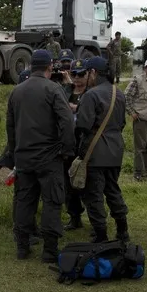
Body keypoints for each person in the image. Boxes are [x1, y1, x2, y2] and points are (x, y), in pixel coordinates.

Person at [5, 50, 75, 262]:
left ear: (30, 66)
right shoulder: (53, 89)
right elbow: (67, 121)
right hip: (49, 157)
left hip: (24, 157)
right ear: (49, 67)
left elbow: (10, 126)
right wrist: (67, 150)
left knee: (25, 201)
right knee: (52, 202)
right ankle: (50, 250)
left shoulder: (16, 91)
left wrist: (14, 151)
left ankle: (23, 247)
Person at [75, 57, 129, 242]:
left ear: (93, 73)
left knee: (94, 195)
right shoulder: (119, 93)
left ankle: (101, 236)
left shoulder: (91, 95)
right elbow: (122, 123)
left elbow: (83, 125)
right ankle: (123, 230)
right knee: (113, 189)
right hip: (115, 150)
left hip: (95, 152)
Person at [63, 59, 89, 231]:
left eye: (81, 74)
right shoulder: (65, 91)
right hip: (68, 143)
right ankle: (74, 216)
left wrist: (77, 109)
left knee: (89, 183)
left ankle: (96, 217)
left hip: (85, 143)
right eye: (74, 74)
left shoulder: (92, 93)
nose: (78, 78)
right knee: (68, 183)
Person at [126, 57, 147, 181]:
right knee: (140, 147)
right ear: (145, 68)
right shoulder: (138, 80)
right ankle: (138, 173)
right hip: (141, 118)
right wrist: (132, 112)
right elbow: (127, 97)